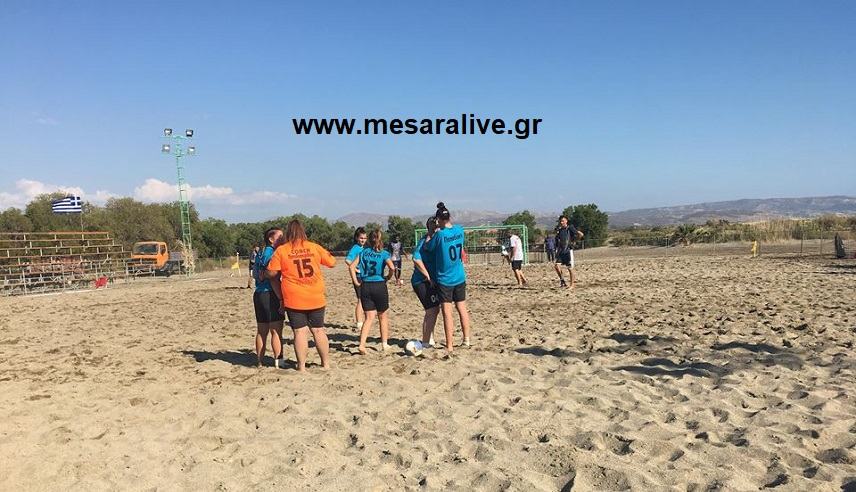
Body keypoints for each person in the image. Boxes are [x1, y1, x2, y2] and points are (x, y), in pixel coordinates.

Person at [266, 219, 336, 372]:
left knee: (300, 332)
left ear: (288, 233)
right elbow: (332, 262)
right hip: (316, 296)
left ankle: (302, 367)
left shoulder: (282, 250)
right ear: (303, 232)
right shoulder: (314, 247)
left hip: (294, 298)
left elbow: (271, 272)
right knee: (319, 330)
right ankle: (326, 364)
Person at [422, 202, 472, 354]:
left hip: (445, 279)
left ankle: (449, 345)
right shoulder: (459, 230)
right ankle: (466, 339)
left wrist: (432, 232)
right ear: (449, 217)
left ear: (438, 220)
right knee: (462, 308)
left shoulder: (440, 235)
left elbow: (427, 246)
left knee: (447, 313)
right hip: (459, 276)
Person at [349, 229, 396, 354]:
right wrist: (388, 277)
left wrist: (356, 281)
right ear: (381, 240)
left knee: (369, 318)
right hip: (379, 285)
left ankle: (362, 344)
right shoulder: (384, 253)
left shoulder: (363, 252)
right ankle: (384, 344)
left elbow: (351, 266)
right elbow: (392, 267)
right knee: (383, 316)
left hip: (366, 286)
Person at [252, 229, 284, 367]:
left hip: (258, 294)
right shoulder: (272, 254)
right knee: (276, 330)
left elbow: (254, 274)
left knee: (261, 331)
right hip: (270, 293)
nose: (283, 239)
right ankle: (279, 361)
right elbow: (272, 278)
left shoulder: (259, 253)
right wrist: (281, 299)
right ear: (271, 239)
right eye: (280, 237)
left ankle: (259, 361)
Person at [411, 217, 441, 347]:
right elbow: (416, 259)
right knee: (431, 310)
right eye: (433, 225)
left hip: (434, 280)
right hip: (421, 281)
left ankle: (430, 336)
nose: (435, 227)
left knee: (435, 309)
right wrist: (428, 276)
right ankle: (425, 341)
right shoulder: (424, 241)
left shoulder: (439, 239)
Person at [345, 228, 368, 330]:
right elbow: (348, 260)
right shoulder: (355, 248)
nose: (363, 240)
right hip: (358, 277)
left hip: (364, 276)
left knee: (364, 299)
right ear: (357, 238)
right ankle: (359, 322)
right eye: (361, 238)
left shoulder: (363, 248)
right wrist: (356, 270)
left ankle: (362, 320)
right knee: (360, 299)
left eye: (365, 238)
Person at [554, 215, 584, 289]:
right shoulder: (559, 230)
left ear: (566, 221)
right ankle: (562, 281)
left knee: (570, 268)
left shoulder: (570, 228)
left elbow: (580, 234)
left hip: (568, 250)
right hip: (561, 251)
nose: (561, 222)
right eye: (560, 221)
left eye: (563, 221)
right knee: (557, 266)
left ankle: (572, 285)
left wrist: (575, 240)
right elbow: (558, 241)